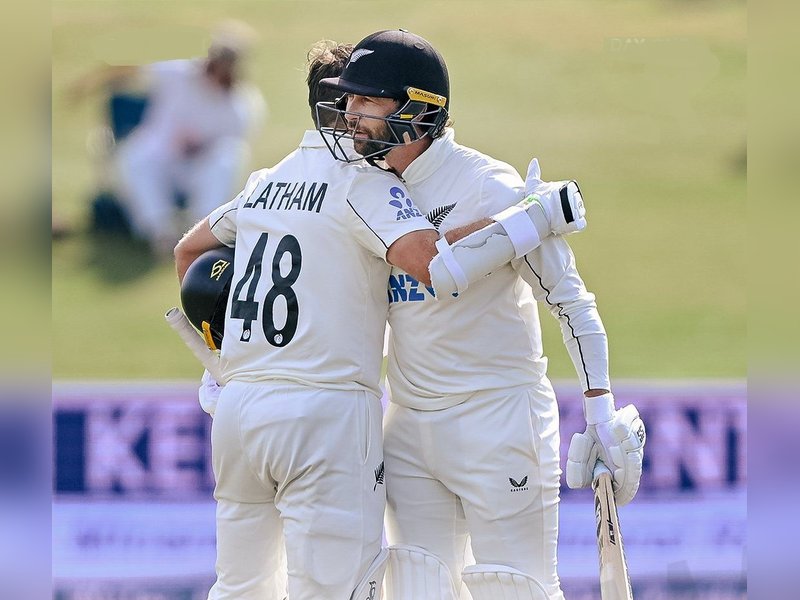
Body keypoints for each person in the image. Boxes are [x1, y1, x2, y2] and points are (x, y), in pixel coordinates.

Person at [174, 39, 578, 600]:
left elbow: (189, 252)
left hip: (239, 407)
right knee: (338, 590)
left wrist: (224, 350)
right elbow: (432, 261)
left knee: (239, 587)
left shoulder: (266, 181)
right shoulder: (364, 183)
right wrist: (529, 217)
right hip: (325, 410)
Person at [318, 29, 646, 600]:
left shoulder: (491, 185)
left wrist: (601, 412)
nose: (351, 114)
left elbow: (570, 299)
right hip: (411, 423)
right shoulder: (367, 190)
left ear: (418, 111)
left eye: (368, 100)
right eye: (349, 99)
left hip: (500, 420)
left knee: (519, 590)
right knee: (421, 591)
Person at [73, 21, 266, 254]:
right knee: (137, 155)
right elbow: (131, 72)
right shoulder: (178, 74)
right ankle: (160, 233)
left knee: (229, 156)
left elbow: (233, 145)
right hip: (160, 159)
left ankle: (204, 233)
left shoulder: (242, 104)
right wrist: (88, 84)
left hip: (197, 171)